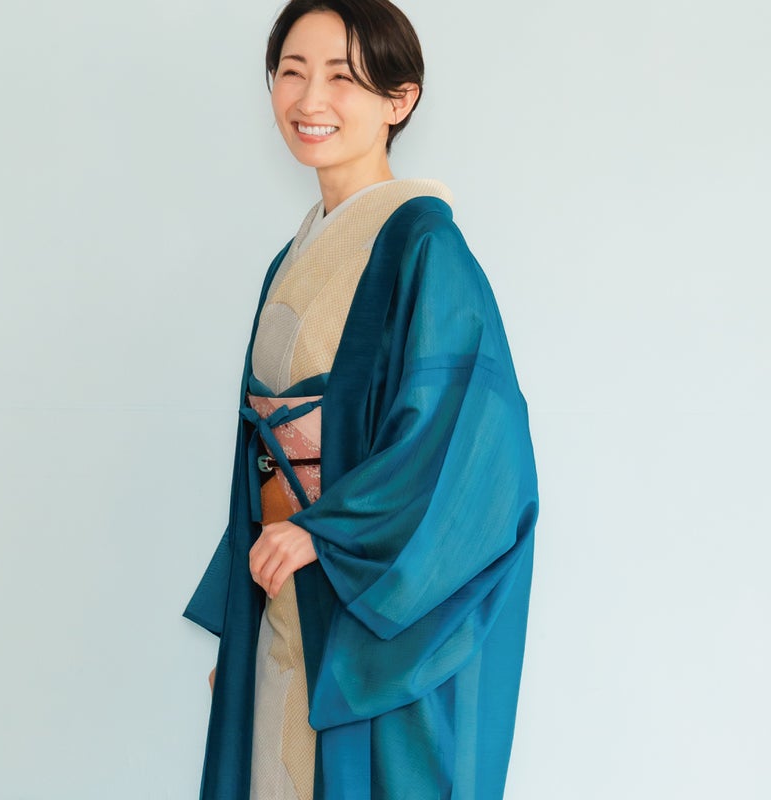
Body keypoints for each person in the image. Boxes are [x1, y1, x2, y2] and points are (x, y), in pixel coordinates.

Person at [183, 1, 538, 797]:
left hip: (360, 605)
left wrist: (328, 531)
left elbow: (466, 447)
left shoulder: (426, 247)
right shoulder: (292, 256)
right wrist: (242, 631)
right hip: (286, 595)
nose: (310, 99)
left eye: (342, 77)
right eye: (292, 72)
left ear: (399, 99)